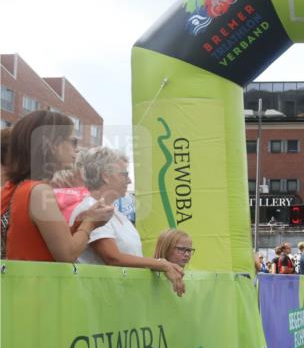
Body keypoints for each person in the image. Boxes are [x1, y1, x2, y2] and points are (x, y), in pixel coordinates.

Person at [69, 147, 186, 297]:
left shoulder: (117, 214)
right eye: (124, 174)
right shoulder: (89, 207)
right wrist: (161, 264)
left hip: (119, 299)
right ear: (105, 176)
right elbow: (112, 257)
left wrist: (163, 265)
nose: (129, 180)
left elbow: (129, 257)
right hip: (98, 299)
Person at [1, 111, 112, 261]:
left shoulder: (17, 188)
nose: (77, 149)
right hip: (38, 283)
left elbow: (40, 242)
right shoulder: (38, 191)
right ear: (52, 145)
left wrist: (81, 221)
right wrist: (90, 222)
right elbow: (67, 254)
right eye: (73, 142)